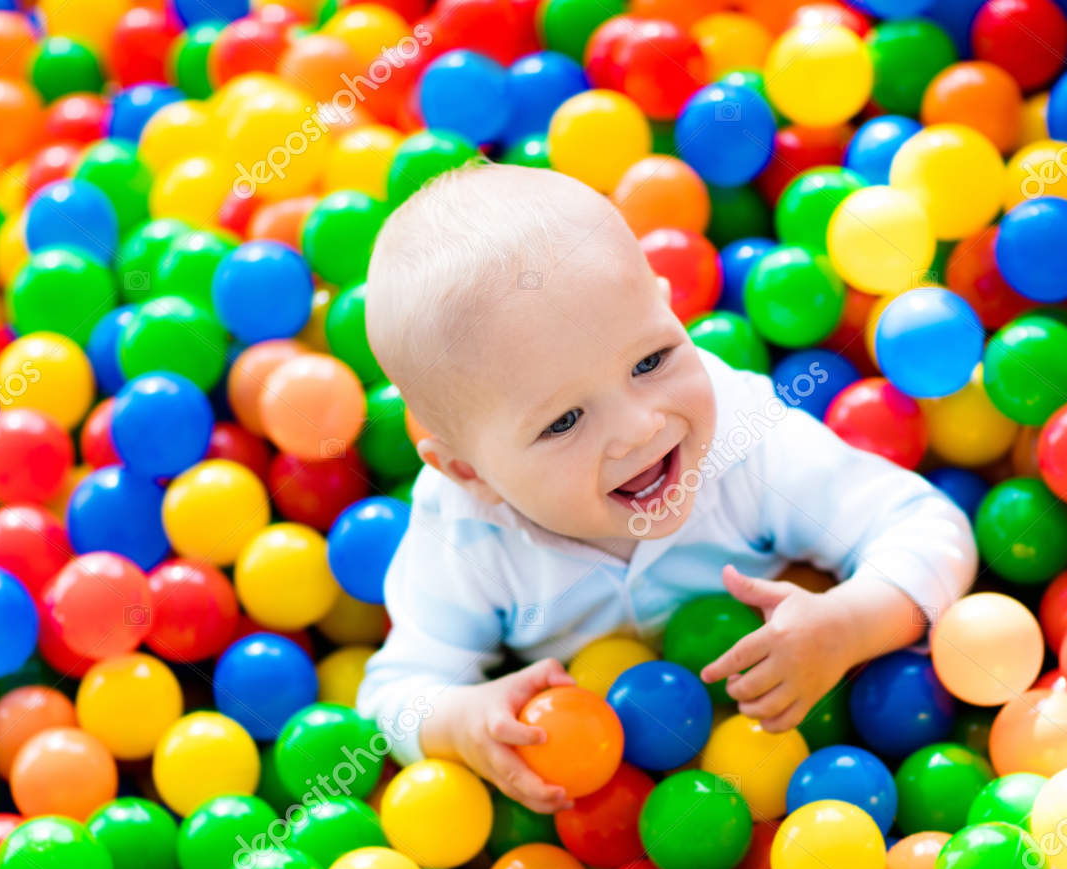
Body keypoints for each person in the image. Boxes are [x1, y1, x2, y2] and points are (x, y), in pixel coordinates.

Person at [357, 163, 977, 813]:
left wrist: (851, 623)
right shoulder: (463, 535)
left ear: (667, 305)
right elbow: (395, 690)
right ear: (470, 473)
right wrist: (458, 720)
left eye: (650, 361)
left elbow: (924, 523)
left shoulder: (744, 441)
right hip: (604, 810)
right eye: (564, 421)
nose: (639, 427)